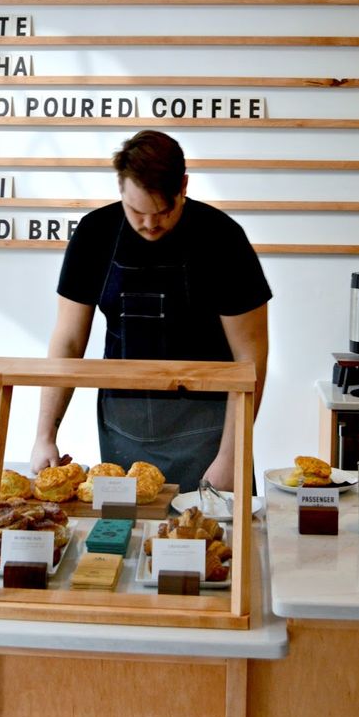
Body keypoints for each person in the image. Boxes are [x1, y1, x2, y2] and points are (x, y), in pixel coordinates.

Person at [29, 130, 271, 493]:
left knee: (215, 544)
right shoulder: (95, 234)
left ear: (183, 186)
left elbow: (250, 355)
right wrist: (45, 435)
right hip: (122, 428)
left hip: (208, 431)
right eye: (136, 211)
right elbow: (67, 341)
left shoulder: (223, 239)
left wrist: (232, 455)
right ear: (121, 190)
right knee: (123, 542)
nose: (149, 223)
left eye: (163, 211)